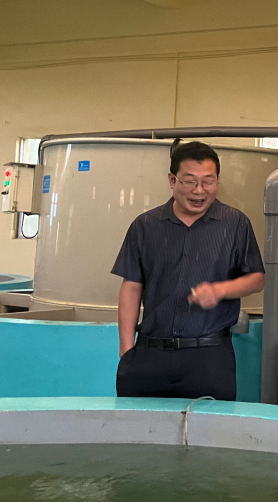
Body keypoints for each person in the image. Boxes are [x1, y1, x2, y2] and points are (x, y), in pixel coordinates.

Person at [113, 140, 265, 400]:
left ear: (218, 180)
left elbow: (257, 279)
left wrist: (220, 290)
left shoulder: (235, 223)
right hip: (150, 354)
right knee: (140, 424)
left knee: (208, 425)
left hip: (210, 356)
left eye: (208, 181)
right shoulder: (145, 225)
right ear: (172, 180)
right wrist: (127, 352)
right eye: (190, 181)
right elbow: (131, 286)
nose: (199, 190)